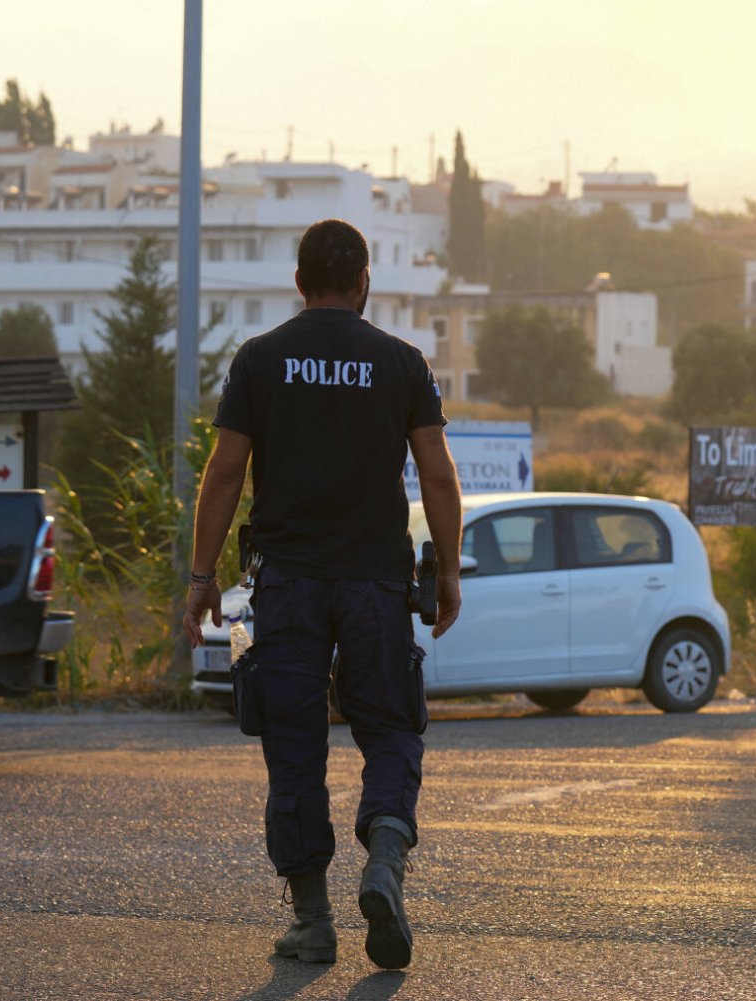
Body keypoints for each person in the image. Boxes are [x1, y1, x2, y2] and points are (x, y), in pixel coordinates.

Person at [182, 218, 462, 970]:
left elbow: (224, 472)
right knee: (393, 726)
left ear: (299, 283)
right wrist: (448, 573)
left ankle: (311, 922)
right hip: (374, 581)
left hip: (290, 583)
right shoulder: (402, 362)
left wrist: (202, 578)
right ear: (364, 281)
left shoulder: (261, 360)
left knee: (294, 744)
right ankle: (385, 860)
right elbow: (437, 474)